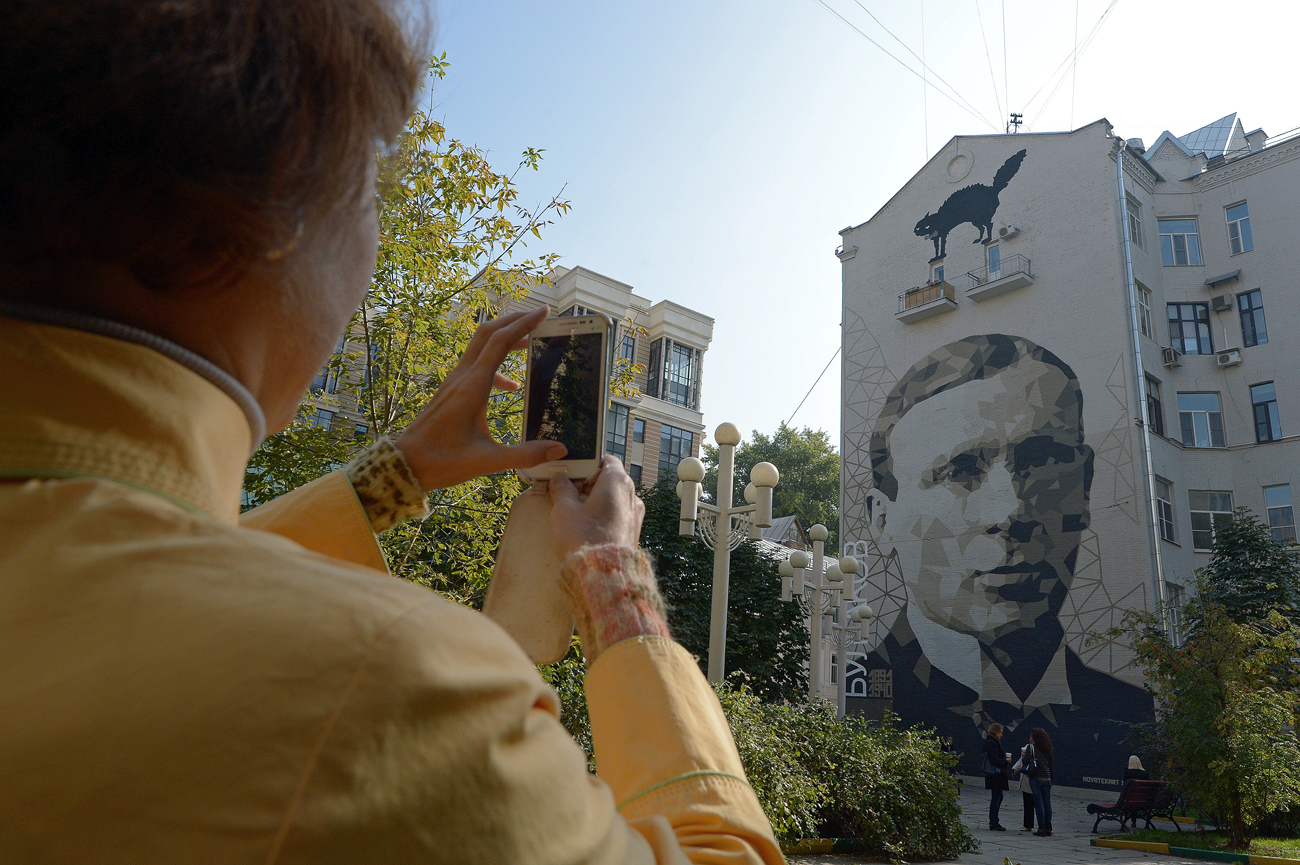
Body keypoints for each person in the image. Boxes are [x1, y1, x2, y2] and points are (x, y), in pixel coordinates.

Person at [0, 3, 782, 863]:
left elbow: (146, 576)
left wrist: (394, 475)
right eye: (370, 184)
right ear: (287, 214)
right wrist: (615, 588)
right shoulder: (392, 688)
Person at [854, 334, 1154, 787]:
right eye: (961, 470)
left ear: (1086, 485)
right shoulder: (856, 699)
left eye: (1042, 461)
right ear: (882, 519)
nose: (1009, 509)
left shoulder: (1132, 713)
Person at [1026, 728, 1054, 837]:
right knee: (1047, 803)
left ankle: (1041, 828)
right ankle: (1048, 827)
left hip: (1036, 777)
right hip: (1047, 777)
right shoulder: (1048, 748)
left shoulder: (1031, 747)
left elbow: (1025, 761)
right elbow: (1051, 765)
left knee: (1039, 803)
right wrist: (1052, 779)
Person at [982, 723, 1011, 831]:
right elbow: (994, 759)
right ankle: (993, 822)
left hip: (993, 774)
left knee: (998, 796)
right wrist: (1005, 761)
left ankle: (994, 821)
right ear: (996, 732)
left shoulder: (989, 741)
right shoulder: (992, 743)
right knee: (996, 797)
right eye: (1001, 732)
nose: (1002, 734)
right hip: (995, 774)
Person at [1011, 743, 1035, 832]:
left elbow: (1023, 760)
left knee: (1032, 803)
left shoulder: (1032, 748)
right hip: (1032, 780)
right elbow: (1021, 760)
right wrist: (1015, 769)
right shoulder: (1029, 747)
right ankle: (1043, 825)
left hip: (1031, 778)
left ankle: (1030, 825)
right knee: (1034, 803)